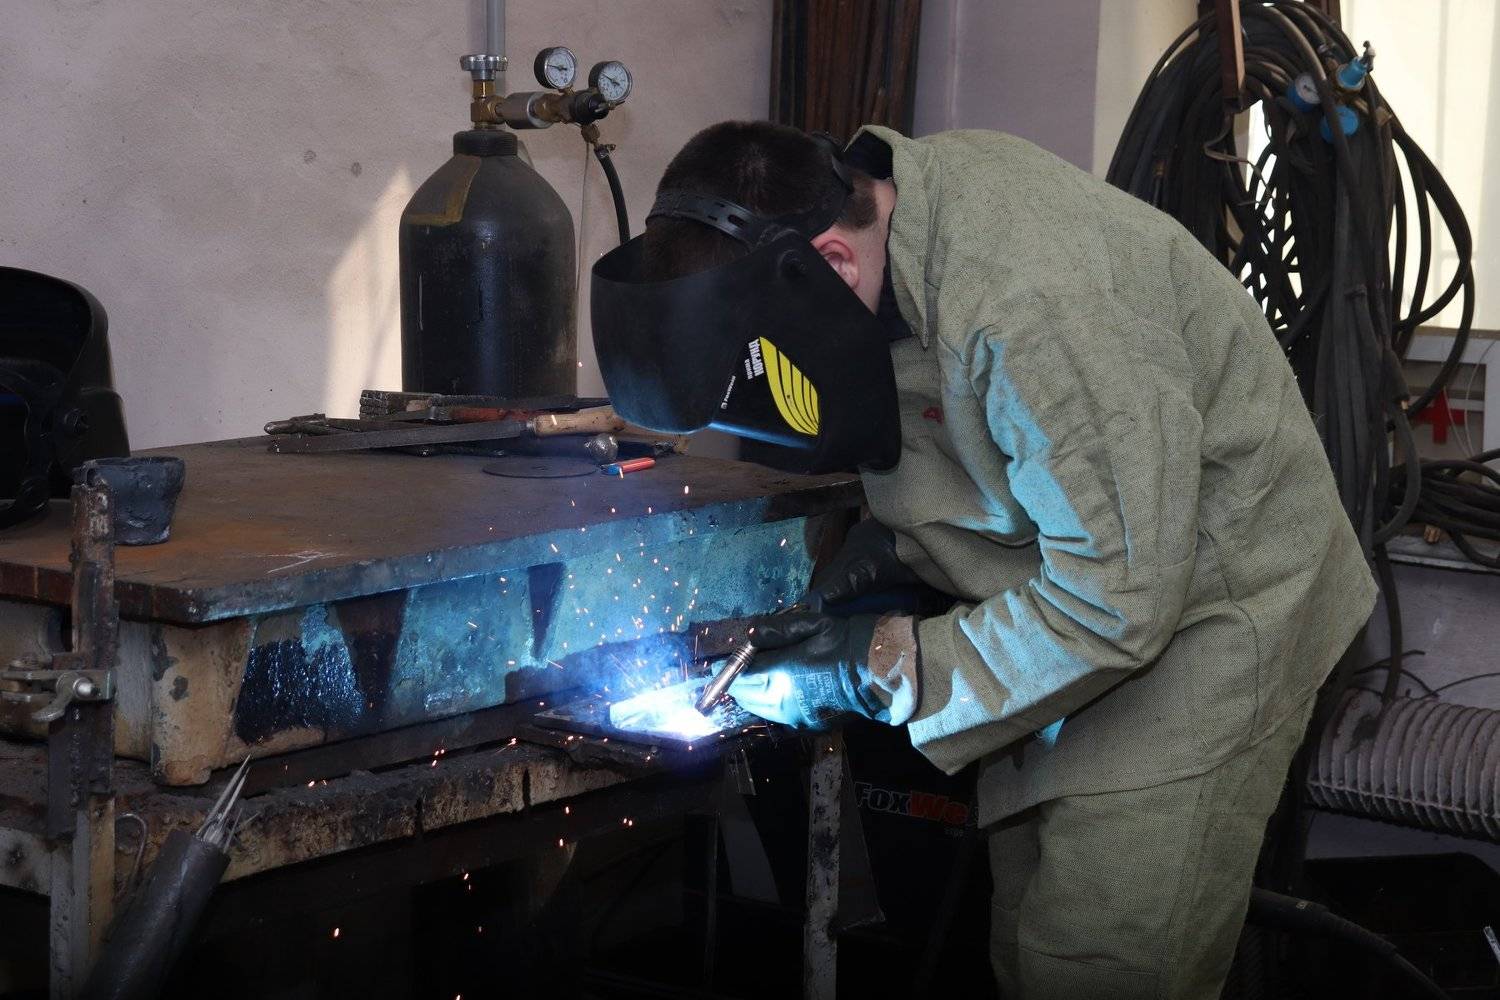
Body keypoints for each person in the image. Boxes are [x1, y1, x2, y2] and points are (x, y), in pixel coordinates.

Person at [590, 120, 1377, 999]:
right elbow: (979, 432)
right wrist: (889, 549)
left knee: (1095, 960)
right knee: (1025, 947)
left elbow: (1117, 599)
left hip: (1206, 613)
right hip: (1068, 588)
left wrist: (875, 666)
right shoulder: (892, 225)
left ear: (830, 266)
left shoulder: (1029, 304)